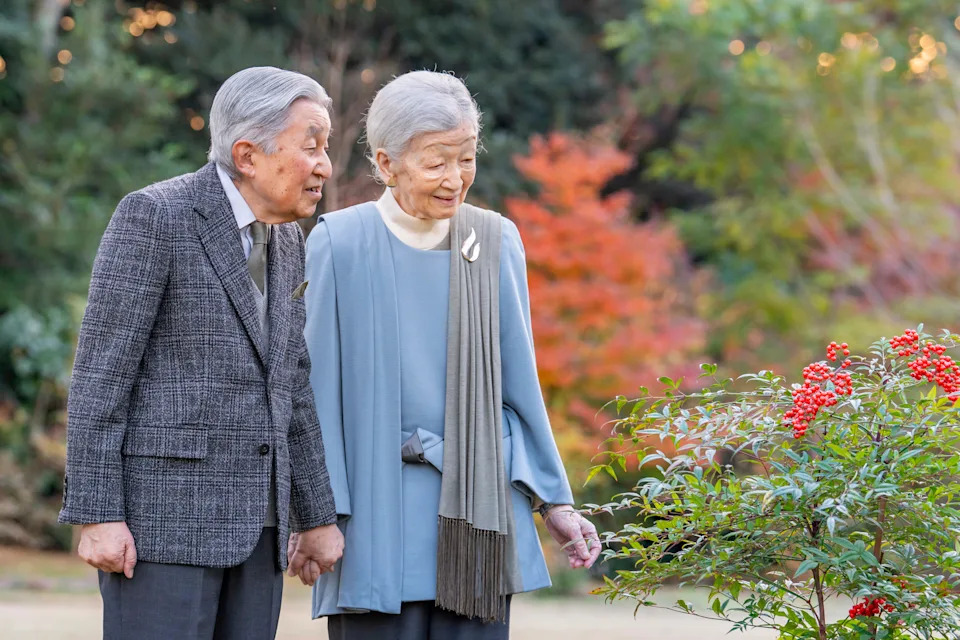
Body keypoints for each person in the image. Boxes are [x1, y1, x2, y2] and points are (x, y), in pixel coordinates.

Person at [299, 70, 601, 639]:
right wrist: (316, 514)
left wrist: (554, 502)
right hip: (372, 514)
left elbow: (520, 385)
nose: (456, 178)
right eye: (437, 162)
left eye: (466, 159)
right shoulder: (340, 242)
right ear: (387, 163)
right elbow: (315, 399)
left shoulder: (495, 241)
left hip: (478, 511)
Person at [58, 66, 344, 640]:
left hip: (261, 532)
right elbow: (100, 377)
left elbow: (292, 384)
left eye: (325, 148)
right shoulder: (154, 216)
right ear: (247, 155)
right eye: (311, 146)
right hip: (160, 530)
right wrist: (96, 513)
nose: (325, 167)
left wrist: (315, 516)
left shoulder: (289, 239)